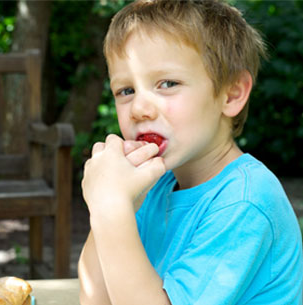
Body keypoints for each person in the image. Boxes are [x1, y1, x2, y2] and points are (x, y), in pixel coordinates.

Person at [78, 0, 303, 304]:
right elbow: (95, 298)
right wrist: (111, 206)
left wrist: (110, 210)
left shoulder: (246, 200)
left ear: (232, 93)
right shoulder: (152, 187)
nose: (140, 109)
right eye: (126, 91)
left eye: (167, 83)